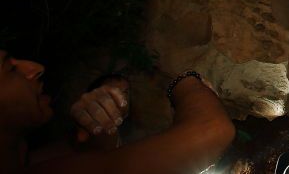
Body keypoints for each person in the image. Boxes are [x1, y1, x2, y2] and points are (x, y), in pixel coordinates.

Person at [0, 50, 236, 174]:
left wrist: (111, 92)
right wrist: (186, 82)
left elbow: (94, 151)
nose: (35, 69)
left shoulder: (30, 160)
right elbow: (212, 131)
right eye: (10, 69)